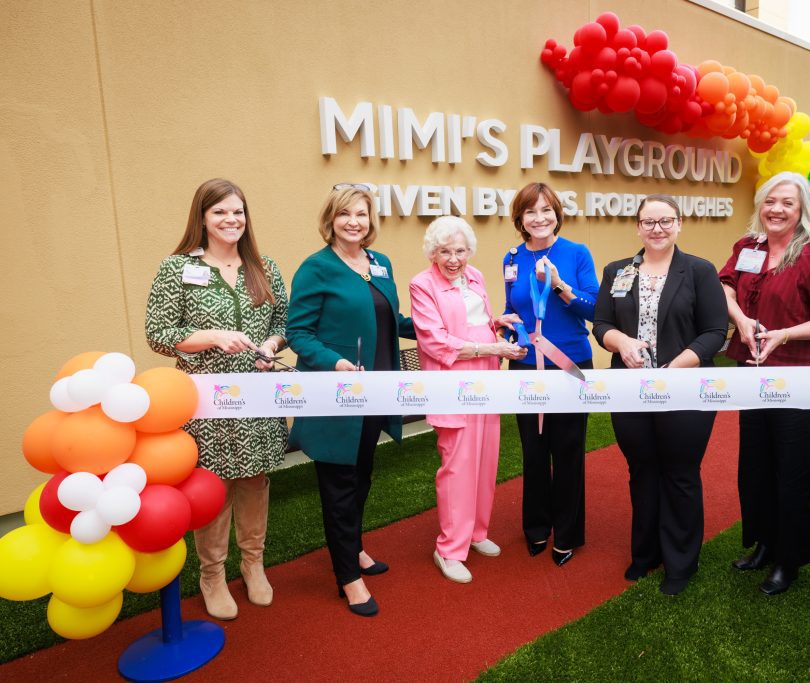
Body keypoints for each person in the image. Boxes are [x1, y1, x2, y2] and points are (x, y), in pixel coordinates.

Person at [145, 178, 288, 620]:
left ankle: (253, 564)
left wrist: (270, 346)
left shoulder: (264, 267)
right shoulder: (177, 269)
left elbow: (282, 322)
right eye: (220, 212)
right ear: (202, 218)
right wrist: (208, 337)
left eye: (238, 212)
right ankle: (212, 575)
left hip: (257, 399)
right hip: (205, 404)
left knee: (254, 481)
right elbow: (159, 335)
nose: (231, 220)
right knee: (211, 487)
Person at [287, 184, 415, 617]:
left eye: (360, 214)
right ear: (331, 219)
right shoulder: (316, 267)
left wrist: (449, 327)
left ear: (370, 220)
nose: (353, 222)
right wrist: (336, 362)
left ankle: (354, 548)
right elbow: (299, 333)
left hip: (375, 394)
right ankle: (348, 578)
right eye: (345, 215)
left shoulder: (379, 263)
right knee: (339, 487)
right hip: (338, 397)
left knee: (361, 479)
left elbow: (391, 319)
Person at [718, 171, 810, 596]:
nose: (776, 209)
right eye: (770, 200)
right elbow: (725, 287)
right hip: (751, 372)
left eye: (787, 203)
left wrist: (785, 334)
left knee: (791, 470)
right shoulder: (748, 246)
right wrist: (738, 319)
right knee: (755, 462)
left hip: (798, 376)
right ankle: (764, 542)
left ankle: (788, 560)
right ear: (760, 204)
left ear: (802, 210)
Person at [593, 194, 728, 596]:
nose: (657, 229)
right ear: (637, 227)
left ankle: (681, 562)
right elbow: (601, 324)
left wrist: (676, 367)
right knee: (642, 470)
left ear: (679, 224)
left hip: (684, 389)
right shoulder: (618, 270)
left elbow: (715, 332)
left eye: (665, 221)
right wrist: (622, 343)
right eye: (649, 222)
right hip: (630, 391)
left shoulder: (700, 271)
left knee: (680, 473)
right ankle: (645, 553)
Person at [409, 216, 526, 584]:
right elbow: (435, 340)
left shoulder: (474, 276)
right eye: (445, 251)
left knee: (485, 460)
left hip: (487, 378)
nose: (454, 258)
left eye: (460, 250)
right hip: (452, 384)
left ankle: (476, 532)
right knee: (457, 467)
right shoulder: (421, 284)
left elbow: (476, 320)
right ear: (433, 252)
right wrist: (491, 346)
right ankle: (449, 548)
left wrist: (498, 322)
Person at [503, 183, 599, 566]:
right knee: (533, 450)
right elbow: (513, 306)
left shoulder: (576, 253)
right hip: (526, 365)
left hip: (569, 364)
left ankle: (568, 531)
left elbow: (592, 308)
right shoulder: (511, 257)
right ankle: (537, 526)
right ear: (520, 219)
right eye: (531, 212)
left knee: (569, 449)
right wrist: (506, 326)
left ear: (557, 213)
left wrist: (559, 285)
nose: (539, 218)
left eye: (546, 210)